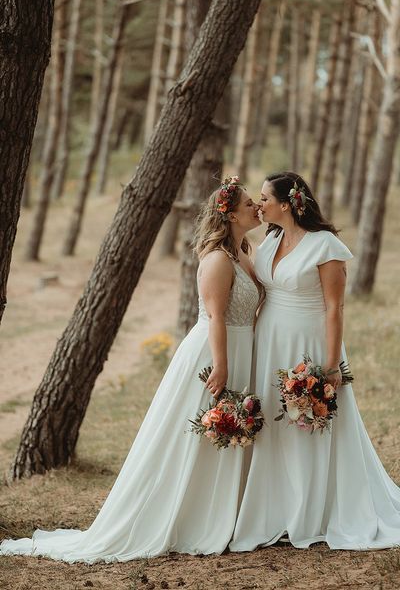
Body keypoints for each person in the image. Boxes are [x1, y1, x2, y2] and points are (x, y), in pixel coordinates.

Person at [0, 177, 261, 563]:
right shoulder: (218, 259)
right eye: (250, 203)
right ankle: (186, 519)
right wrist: (221, 366)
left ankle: (222, 512)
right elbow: (215, 315)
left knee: (223, 436)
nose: (257, 207)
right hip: (215, 353)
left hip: (241, 349)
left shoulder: (243, 252)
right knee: (199, 433)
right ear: (230, 213)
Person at [230, 171, 400, 551]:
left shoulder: (326, 245)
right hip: (270, 341)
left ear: (287, 204)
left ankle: (317, 508)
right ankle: (277, 506)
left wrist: (331, 363)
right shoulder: (270, 239)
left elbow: (335, 307)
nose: (259, 204)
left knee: (311, 424)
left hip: (309, 343)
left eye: (265, 198)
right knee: (275, 423)